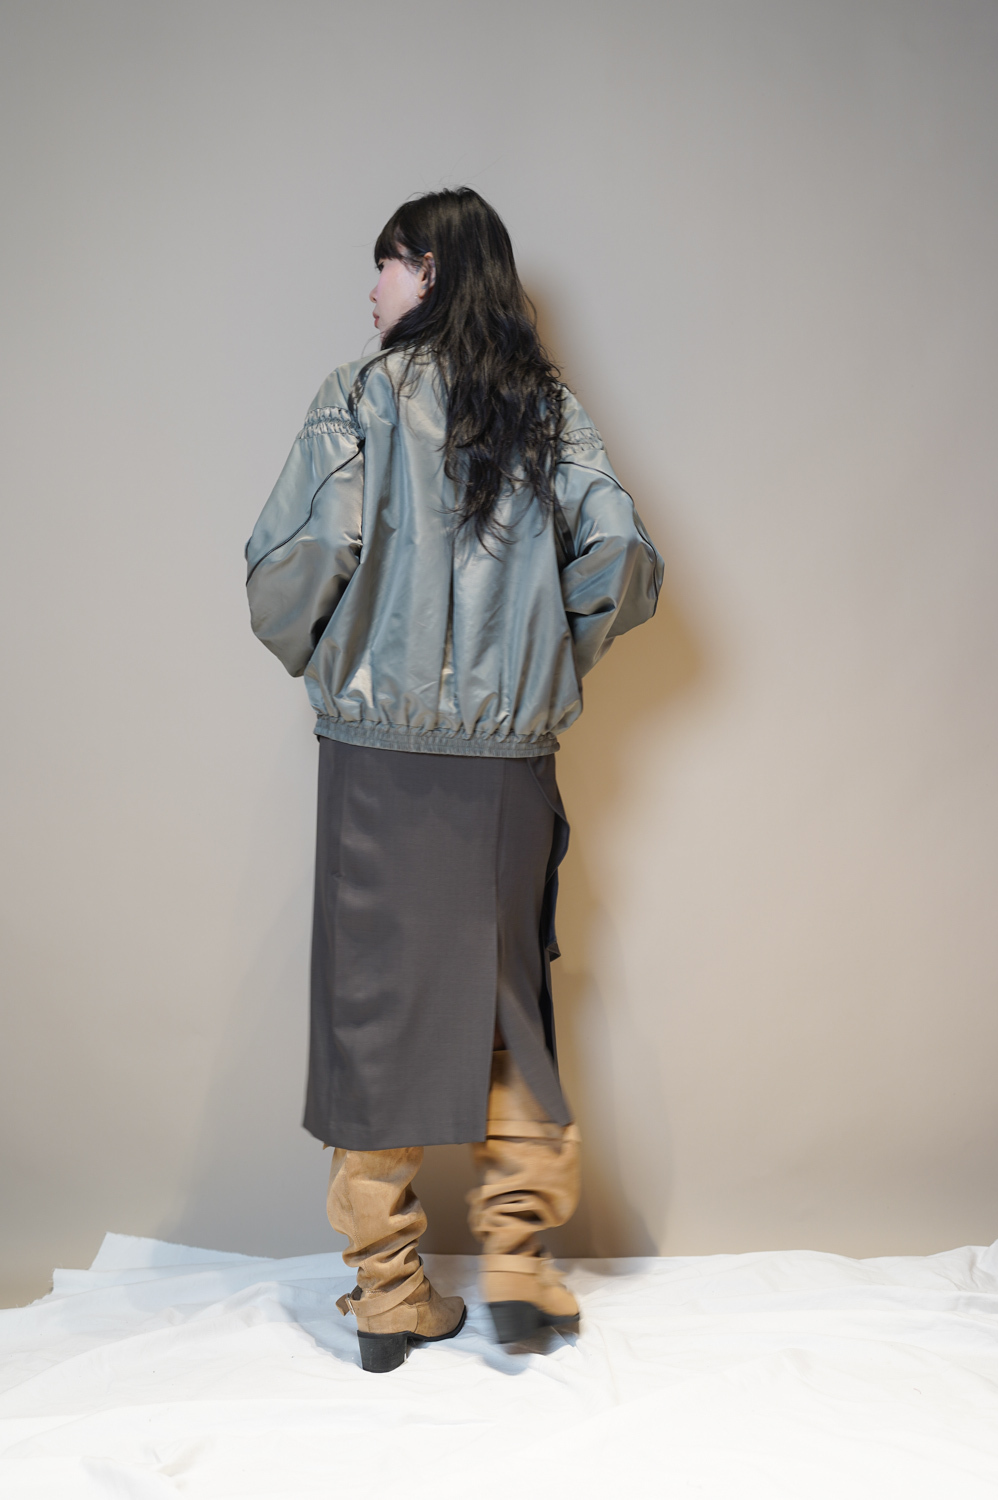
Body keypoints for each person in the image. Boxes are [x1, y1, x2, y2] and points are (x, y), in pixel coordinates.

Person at [245, 187, 663, 1373]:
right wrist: (542, 665)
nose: (370, 289)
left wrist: (335, 660)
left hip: (376, 758)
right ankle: (519, 1264)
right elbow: (622, 554)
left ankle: (389, 1295)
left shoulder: (357, 397)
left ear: (426, 270)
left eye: (382, 265)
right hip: (509, 764)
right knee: (507, 1003)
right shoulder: (548, 412)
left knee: (371, 1010)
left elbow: (290, 566)